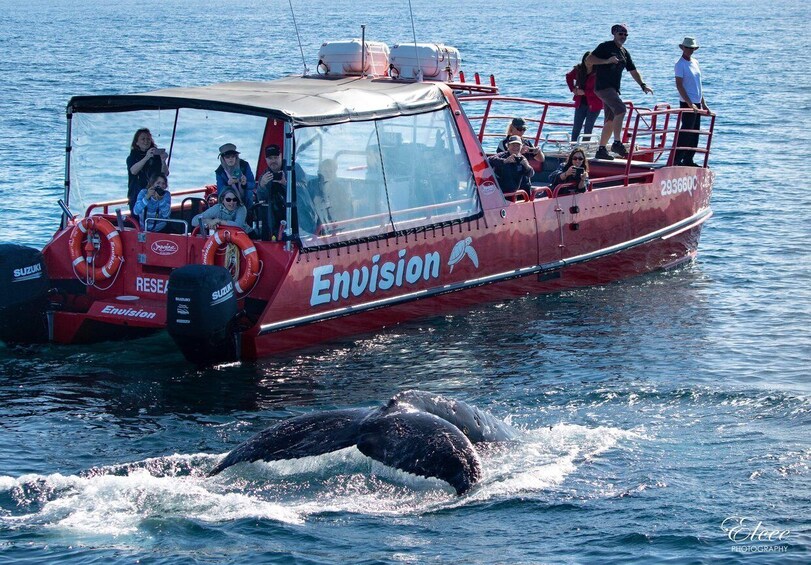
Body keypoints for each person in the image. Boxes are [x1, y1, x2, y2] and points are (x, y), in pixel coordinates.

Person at [587, 24, 654, 160]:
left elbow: (633, 70)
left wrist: (642, 84)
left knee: (610, 119)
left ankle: (601, 150)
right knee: (621, 109)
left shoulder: (624, 52)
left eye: (625, 35)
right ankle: (617, 143)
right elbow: (589, 60)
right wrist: (607, 61)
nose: (623, 37)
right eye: (620, 34)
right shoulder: (605, 46)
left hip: (613, 89)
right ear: (614, 34)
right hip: (603, 87)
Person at [257, 144, 307, 234]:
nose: (273, 161)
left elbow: (304, 189)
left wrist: (286, 184)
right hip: (276, 217)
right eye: (270, 158)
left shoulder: (294, 168)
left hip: (298, 214)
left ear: (281, 156)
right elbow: (261, 198)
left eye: (275, 157)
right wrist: (262, 185)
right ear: (266, 159)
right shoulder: (265, 175)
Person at [674, 36, 709, 167]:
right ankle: (677, 159)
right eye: (687, 47)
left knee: (695, 133)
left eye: (692, 48)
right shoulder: (680, 64)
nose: (690, 50)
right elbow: (679, 85)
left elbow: (698, 84)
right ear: (683, 48)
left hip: (697, 102)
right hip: (687, 103)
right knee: (686, 132)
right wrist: (689, 103)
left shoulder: (695, 62)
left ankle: (689, 159)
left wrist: (703, 103)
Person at [127, 128, 168, 213]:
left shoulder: (156, 157)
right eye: (143, 139)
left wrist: (163, 161)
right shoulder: (132, 157)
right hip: (137, 193)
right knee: (138, 215)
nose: (146, 141)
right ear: (137, 142)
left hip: (155, 193)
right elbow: (133, 171)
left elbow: (165, 174)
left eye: (148, 139)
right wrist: (146, 157)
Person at [566, 52, 603, 142]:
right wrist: (573, 89)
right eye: (586, 60)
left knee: (588, 128)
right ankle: (573, 146)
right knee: (576, 127)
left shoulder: (599, 72)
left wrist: (585, 92)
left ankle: (585, 146)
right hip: (580, 103)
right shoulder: (579, 69)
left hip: (594, 104)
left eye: (591, 60)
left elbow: (600, 89)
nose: (588, 62)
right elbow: (568, 76)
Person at [215, 143, 256, 209]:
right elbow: (220, 192)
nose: (230, 159)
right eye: (227, 157)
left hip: (246, 201)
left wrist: (245, 184)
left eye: (233, 156)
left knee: (249, 192)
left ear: (236, 156)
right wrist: (228, 185)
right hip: (231, 203)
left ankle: (249, 212)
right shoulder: (220, 172)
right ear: (223, 158)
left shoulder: (244, 165)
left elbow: (253, 184)